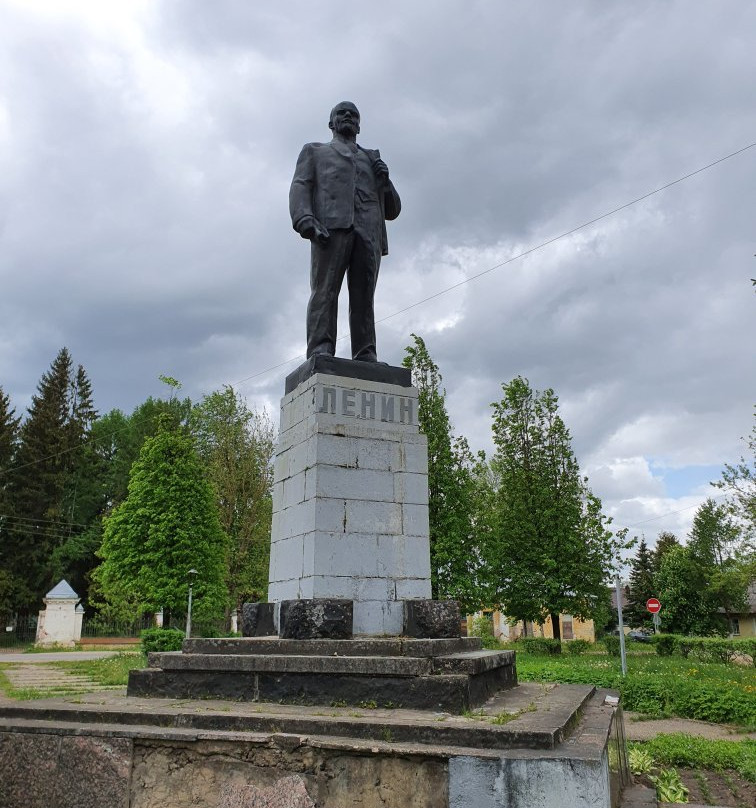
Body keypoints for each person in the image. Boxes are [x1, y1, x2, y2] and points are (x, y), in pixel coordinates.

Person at [289, 102, 401, 362]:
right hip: (330, 229)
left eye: (354, 114)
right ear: (331, 123)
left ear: (359, 126)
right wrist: (304, 218)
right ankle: (320, 349)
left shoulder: (372, 159)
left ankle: (365, 352)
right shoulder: (315, 152)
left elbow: (393, 210)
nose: (349, 115)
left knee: (364, 297)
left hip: (369, 232)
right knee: (325, 291)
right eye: (342, 112)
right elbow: (300, 185)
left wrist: (385, 181)